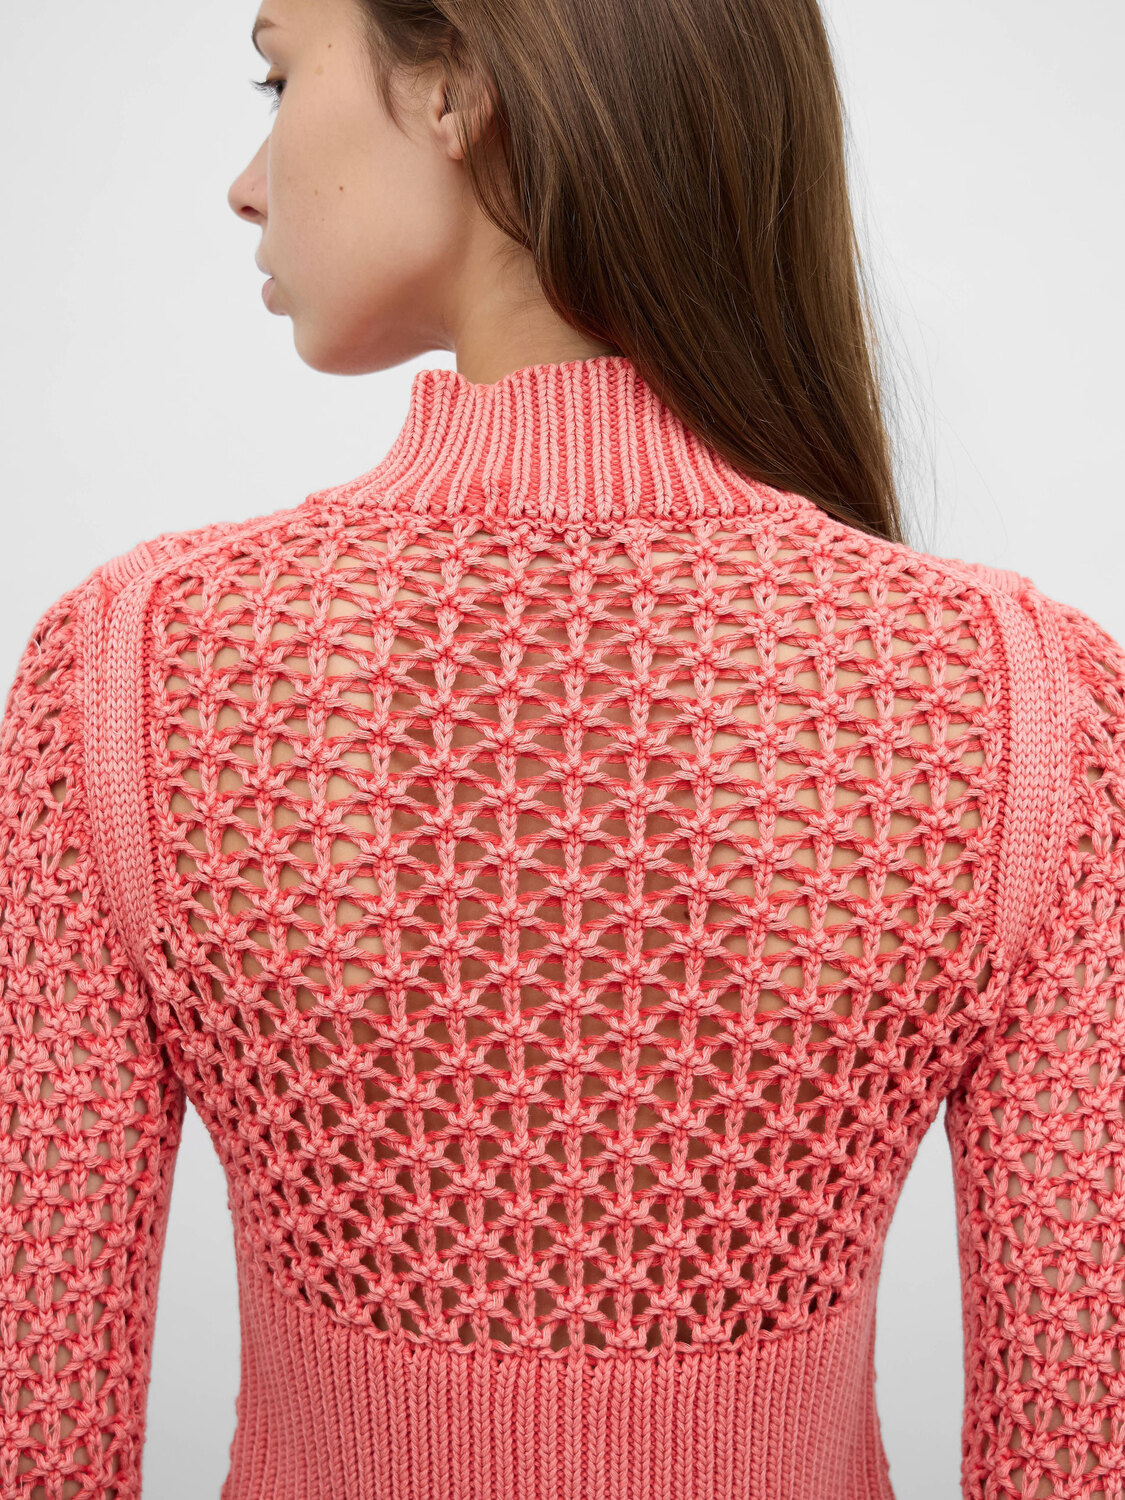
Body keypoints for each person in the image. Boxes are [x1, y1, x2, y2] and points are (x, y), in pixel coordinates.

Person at [1, 0, 1121, 1496]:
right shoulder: (1027, 698)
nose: (246, 184)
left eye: (277, 76)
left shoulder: (132, 667)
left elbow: (34, 1424)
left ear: (457, 87)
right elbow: (1076, 1438)